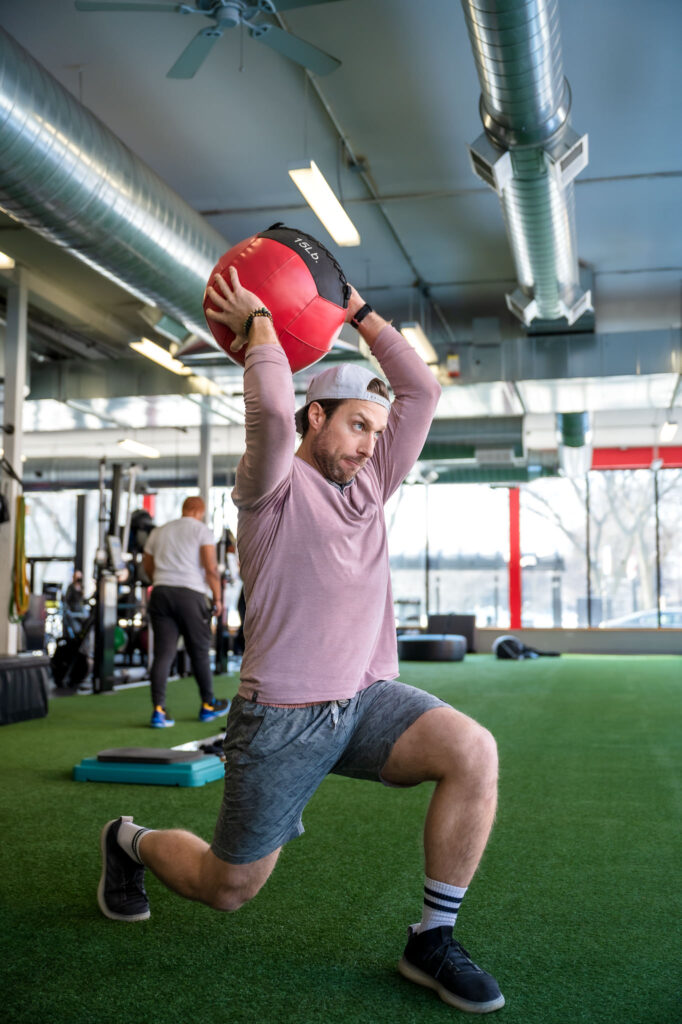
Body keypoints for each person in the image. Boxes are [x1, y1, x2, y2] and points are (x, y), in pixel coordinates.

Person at [98, 268, 504, 1015]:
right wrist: (259, 332)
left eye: (376, 435)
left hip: (366, 698)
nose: (369, 447)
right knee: (228, 888)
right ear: (317, 417)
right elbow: (274, 420)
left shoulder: (372, 484)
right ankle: (127, 840)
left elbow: (422, 394)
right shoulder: (270, 488)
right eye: (356, 425)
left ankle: (431, 939)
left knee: (474, 750)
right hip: (281, 719)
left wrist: (359, 313)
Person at [141, 496, 229, 728]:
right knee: (199, 651)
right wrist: (218, 598)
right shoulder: (201, 530)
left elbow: (147, 567)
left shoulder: (159, 531)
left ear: (183, 509)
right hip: (190, 594)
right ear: (199, 511)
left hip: (160, 593)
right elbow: (210, 568)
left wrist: (162, 581)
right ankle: (208, 705)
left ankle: (159, 711)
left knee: (163, 654)